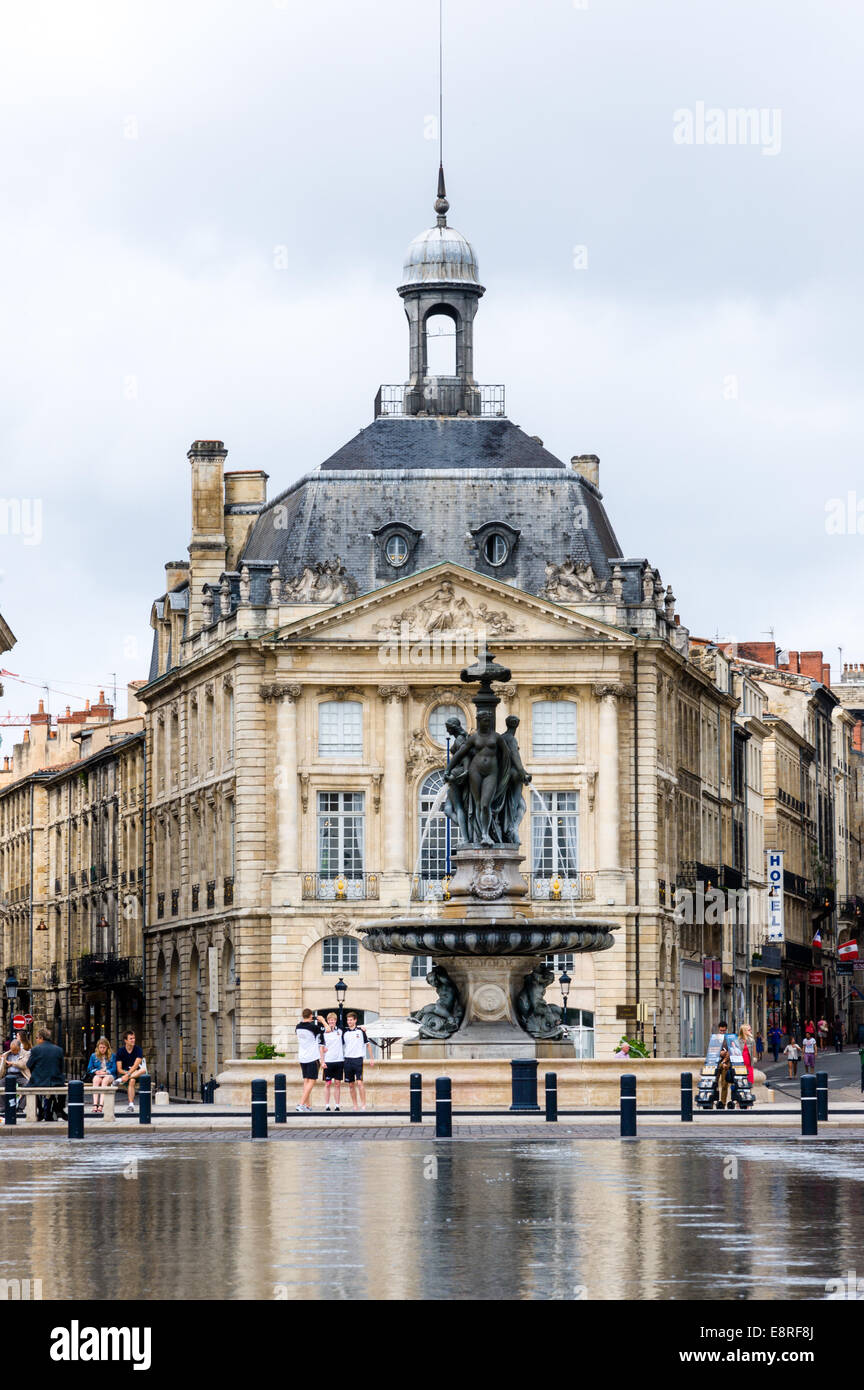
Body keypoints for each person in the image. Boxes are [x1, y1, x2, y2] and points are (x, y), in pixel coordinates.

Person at [26, 1027, 66, 1121]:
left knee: (30, 1088)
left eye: (36, 1038)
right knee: (63, 1088)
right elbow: (61, 1067)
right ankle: (59, 1108)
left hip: (39, 1080)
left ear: (41, 1038)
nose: (36, 1040)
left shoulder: (35, 1049)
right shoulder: (59, 1049)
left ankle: (40, 1110)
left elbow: (29, 1065)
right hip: (56, 1081)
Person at [341, 1012, 375, 1111]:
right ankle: (355, 1106)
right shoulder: (344, 1031)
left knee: (359, 1083)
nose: (349, 1022)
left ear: (355, 1020)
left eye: (351, 1020)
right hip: (347, 1059)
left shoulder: (361, 1031)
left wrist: (371, 1058)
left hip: (358, 1059)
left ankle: (363, 1105)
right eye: (348, 1020)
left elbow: (368, 1045)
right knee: (351, 1084)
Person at [295, 1008, 325, 1113]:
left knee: (306, 1080)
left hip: (302, 1057)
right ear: (311, 1016)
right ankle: (301, 1104)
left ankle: (307, 1105)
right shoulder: (313, 1027)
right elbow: (328, 1030)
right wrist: (322, 1021)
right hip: (312, 1057)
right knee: (311, 1081)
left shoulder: (297, 1027)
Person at [114, 1030, 146, 1112]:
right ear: (125, 1040)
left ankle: (120, 1080)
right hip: (126, 1073)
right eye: (131, 1038)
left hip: (136, 1073)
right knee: (132, 1080)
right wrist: (127, 1074)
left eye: (134, 1038)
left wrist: (126, 1075)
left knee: (143, 1070)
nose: (133, 1040)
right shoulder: (120, 1051)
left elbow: (136, 1065)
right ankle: (131, 1105)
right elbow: (119, 1069)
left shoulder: (138, 1049)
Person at [86, 1036, 116, 1115]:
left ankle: (101, 1105)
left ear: (107, 1047)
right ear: (98, 1047)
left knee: (105, 1080)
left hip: (109, 1075)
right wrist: (96, 1072)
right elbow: (89, 1068)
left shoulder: (112, 1055)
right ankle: (95, 1105)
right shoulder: (93, 1056)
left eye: (104, 1047)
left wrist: (106, 1072)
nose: (102, 1049)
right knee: (96, 1079)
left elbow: (114, 1068)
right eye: (100, 1047)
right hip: (99, 1074)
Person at [321, 1013, 345, 1111]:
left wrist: (362, 1029)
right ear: (327, 1021)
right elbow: (319, 1046)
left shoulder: (340, 1031)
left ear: (335, 1021)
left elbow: (352, 1028)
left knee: (337, 1083)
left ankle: (337, 1105)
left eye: (333, 1020)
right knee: (327, 1084)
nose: (331, 1021)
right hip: (328, 1061)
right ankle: (327, 1105)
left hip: (339, 1060)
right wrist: (322, 1061)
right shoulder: (323, 1032)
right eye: (330, 1020)